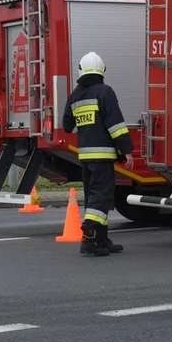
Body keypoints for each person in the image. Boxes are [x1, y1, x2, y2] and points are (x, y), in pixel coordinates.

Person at [62, 52, 134, 256]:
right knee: (102, 195)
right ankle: (90, 237)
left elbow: (67, 125)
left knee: (93, 196)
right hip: (102, 156)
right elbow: (116, 125)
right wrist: (126, 150)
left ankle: (101, 239)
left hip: (85, 156)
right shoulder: (105, 92)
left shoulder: (75, 94)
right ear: (102, 70)